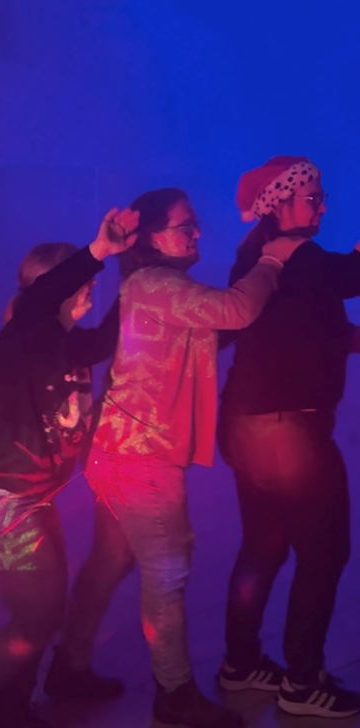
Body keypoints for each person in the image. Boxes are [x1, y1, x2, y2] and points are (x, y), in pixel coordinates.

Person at [82, 187, 304, 728]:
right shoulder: (157, 283)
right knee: (168, 572)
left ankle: (68, 665)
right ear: (155, 238)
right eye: (186, 226)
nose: (197, 232)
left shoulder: (157, 289)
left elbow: (214, 328)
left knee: (108, 563)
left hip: (118, 451)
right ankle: (174, 694)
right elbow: (235, 310)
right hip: (142, 457)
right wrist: (273, 260)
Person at [0, 207, 139, 728]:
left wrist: (135, 270)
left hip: (28, 497)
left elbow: (108, 338)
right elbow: (45, 300)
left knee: (44, 608)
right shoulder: (22, 338)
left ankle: (11, 705)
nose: (86, 285)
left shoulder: (69, 344)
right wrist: (97, 252)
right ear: (47, 289)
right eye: (71, 278)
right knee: (38, 614)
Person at [216, 156, 360, 718]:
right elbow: (349, 278)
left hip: (248, 426)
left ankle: (241, 663)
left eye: (322, 196)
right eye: (312, 197)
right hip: (289, 431)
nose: (322, 206)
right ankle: (302, 683)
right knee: (325, 551)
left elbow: (320, 329)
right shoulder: (294, 253)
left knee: (264, 546)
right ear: (278, 203)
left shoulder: (262, 258)